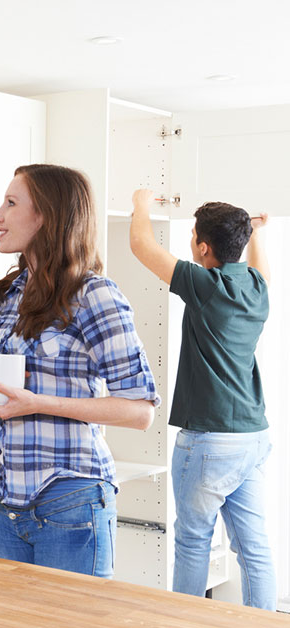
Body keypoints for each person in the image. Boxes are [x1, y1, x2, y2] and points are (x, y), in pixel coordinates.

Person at [0, 164, 159, 578]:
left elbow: (139, 410)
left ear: (46, 215)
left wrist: (35, 403)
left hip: (67, 503)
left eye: (11, 203)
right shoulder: (5, 296)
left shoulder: (93, 295)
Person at [129, 189, 274, 609]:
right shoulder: (257, 287)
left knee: (193, 542)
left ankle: (185, 621)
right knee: (254, 548)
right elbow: (256, 265)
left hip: (209, 441)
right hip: (253, 438)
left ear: (202, 247)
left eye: (193, 237)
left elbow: (141, 245)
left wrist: (142, 203)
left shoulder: (205, 284)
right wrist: (256, 235)